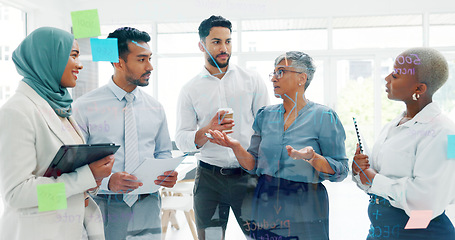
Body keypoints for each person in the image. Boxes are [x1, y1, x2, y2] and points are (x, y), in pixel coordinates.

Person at [208, 51, 349, 239]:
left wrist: (312, 158)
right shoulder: (264, 115)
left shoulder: (324, 117)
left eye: (281, 72)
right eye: (273, 73)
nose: (274, 78)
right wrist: (235, 147)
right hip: (265, 199)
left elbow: (341, 170)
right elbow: (253, 164)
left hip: (306, 203)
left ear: (302, 78)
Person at [0, 27, 114, 240]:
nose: (80, 65)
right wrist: (86, 176)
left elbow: (67, 175)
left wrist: (92, 178)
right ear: (48, 57)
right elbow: (17, 194)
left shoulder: (59, 107)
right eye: (73, 56)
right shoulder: (17, 111)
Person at [73, 27, 178, 240]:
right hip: (103, 206)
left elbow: (164, 152)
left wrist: (168, 172)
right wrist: (107, 181)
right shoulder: (83, 107)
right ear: (118, 62)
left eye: (149, 58)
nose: (150, 66)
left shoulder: (155, 108)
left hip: (148, 205)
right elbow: (74, 164)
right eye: (141, 60)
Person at [175, 15, 269, 239]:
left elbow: (267, 130)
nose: (224, 48)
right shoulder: (190, 89)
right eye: (216, 42)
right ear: (201, 45)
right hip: (210, 181)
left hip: (249, 177)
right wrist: (207, 130)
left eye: (228, 41)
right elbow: (181, 139)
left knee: (261, 237)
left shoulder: (252, 80)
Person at [352, 47, 455, 240]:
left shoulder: (447, 134)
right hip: (381, 232)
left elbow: (427, 204)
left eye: (396, 75)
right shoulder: (394, 124)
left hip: (423, 234)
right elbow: (374, 181)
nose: (387, 78)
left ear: (419, 89)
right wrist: (361, 172)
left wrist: (373, 179)